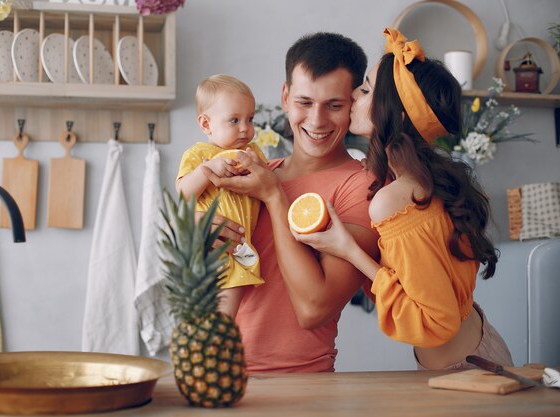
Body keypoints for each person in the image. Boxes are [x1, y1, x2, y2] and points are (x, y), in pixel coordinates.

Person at [292, 28, 513, 370]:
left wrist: (348, 249)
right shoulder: (415, 183)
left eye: (365, 89)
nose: (353, 95)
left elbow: (436, 323)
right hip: (476, 352)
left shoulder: (395, 199)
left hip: (469, 370)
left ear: (391, 113)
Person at [202, 33, 379, 372]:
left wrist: (273, 195)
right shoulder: (249, 173)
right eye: (304, 102)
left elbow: (314, 310)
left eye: (335, 105)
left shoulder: (362, 187)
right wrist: (199, 231)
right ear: (285, 97)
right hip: (217, 374)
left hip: (301, 382)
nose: (316, 120)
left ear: (354, 104)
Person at [176, 74, 267, 318]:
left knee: (226, 316)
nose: (245, 128)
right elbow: (183, 194)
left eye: (250, 119)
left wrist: (258, 166)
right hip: (209, 249)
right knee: (207, 314)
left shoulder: (252, 152)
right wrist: (207, 171)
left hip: (237, 248)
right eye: (234, 120)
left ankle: (215, 344)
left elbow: (269, 184)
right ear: (206, 125)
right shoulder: (200, 154)